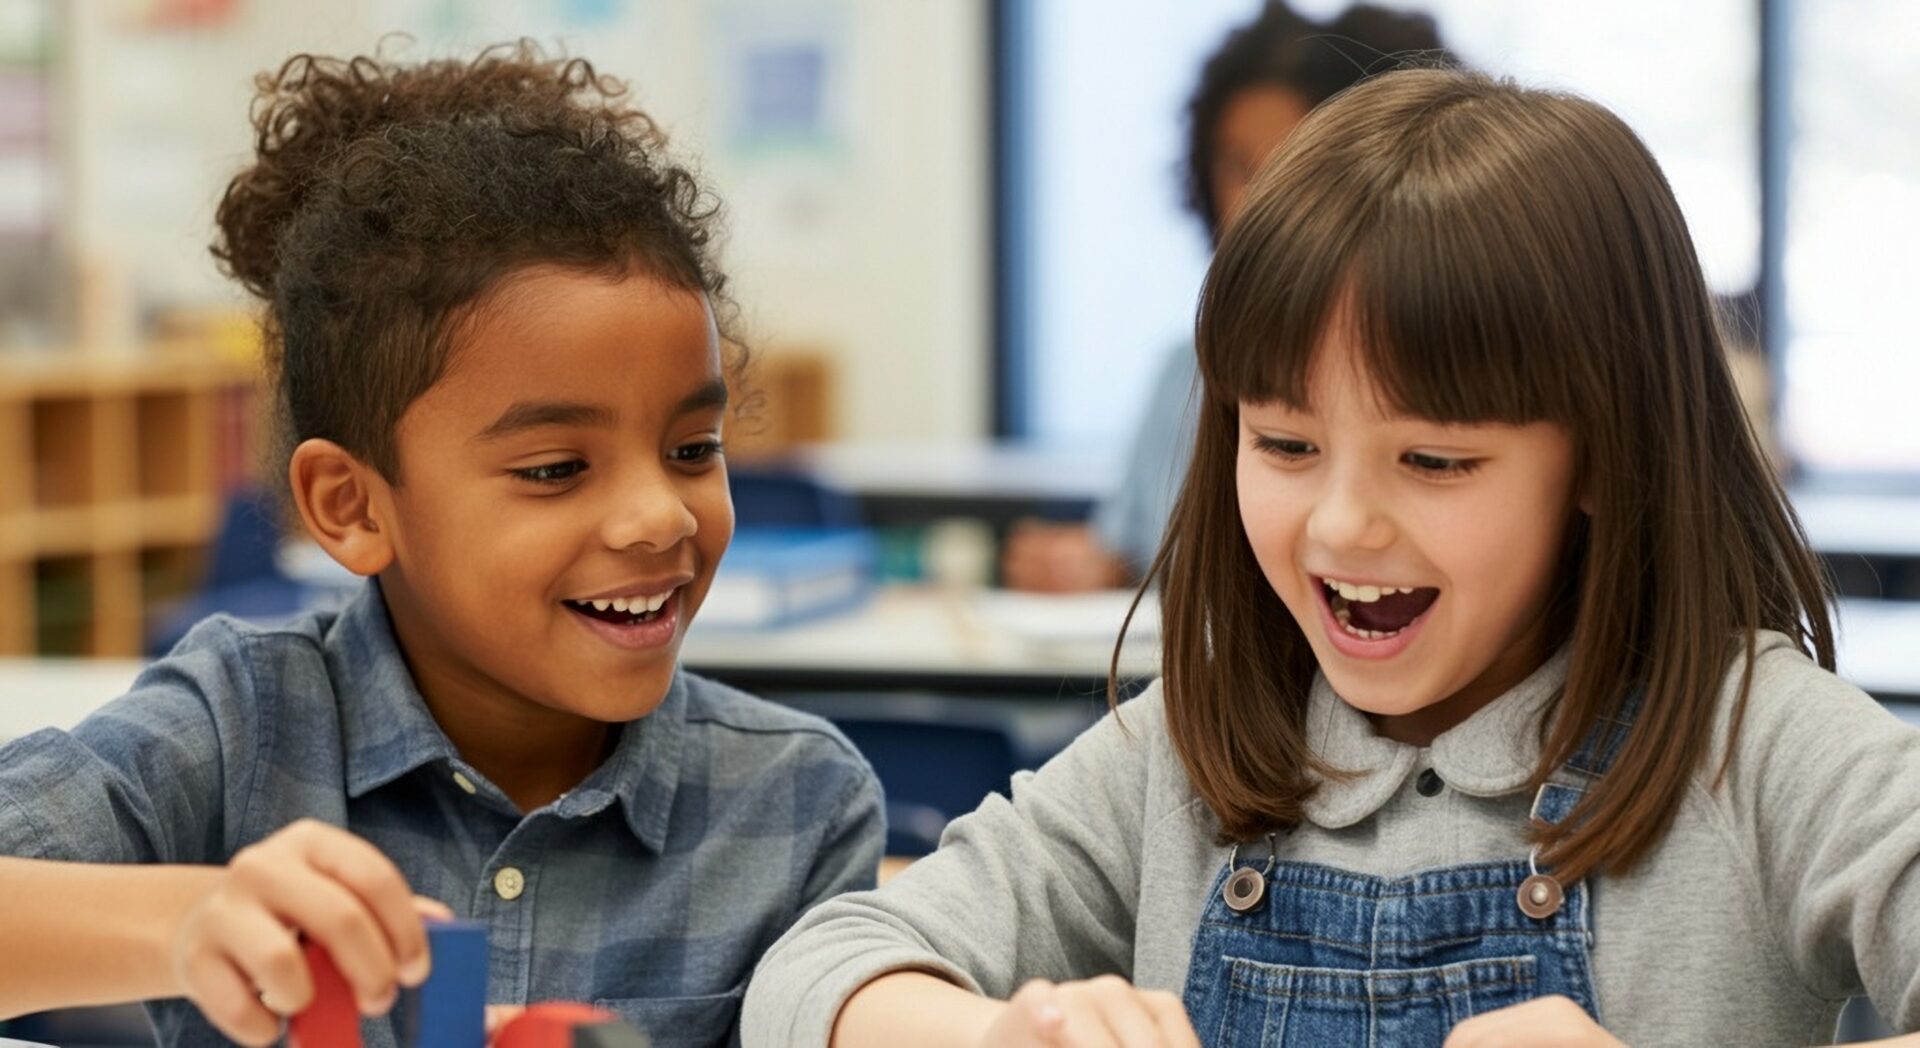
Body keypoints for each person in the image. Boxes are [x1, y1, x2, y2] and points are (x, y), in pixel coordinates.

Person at [743, 68, 1920, 1047]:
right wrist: (1005, 1032)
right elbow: (815, 974)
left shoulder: (1755, 746)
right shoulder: (1187, 752)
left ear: (1608, 455)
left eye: (1436, 461)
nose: (1343, 524)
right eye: (1286, 444)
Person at [0, 44, 882, 1048]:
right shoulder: (241, 727)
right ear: (352, 506)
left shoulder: (799, 803)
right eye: (555, 468)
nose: (660, 517)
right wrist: (189, 919)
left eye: (693, 449)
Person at [1001, 2, 1451, 593]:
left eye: (1289, 166)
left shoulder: (1437, 362)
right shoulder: (1182, 375)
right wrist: (1089, 566)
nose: (1254, 202)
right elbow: (1133, 550)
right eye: (1238, 167)